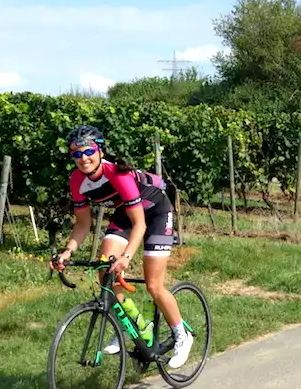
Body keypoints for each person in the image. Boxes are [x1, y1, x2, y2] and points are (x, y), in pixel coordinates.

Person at [50, 125, 194, 369]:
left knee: (153, 285)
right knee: (104, 269)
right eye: (76, 154)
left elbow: (140, 224)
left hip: (156, 213)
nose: (83, 158)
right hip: (126, 213)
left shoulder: (117, 174)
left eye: (88, 151)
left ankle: (183, 335)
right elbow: (83, 224)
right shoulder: (77, 180)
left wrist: (126, 256)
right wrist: (67, 251)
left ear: (100, 151)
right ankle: (134, 325)